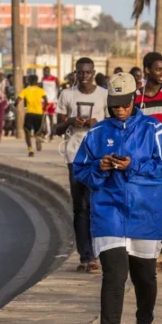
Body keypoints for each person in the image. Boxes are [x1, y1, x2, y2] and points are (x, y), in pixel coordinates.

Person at [72, 72, 162, 324]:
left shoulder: (153, 130)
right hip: (109, 212)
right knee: (114, 277)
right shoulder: (97, 133)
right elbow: (81, 170)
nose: (119, 109)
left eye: (124, 104)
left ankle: (144, 323)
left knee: (145, 279)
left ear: (134, 99)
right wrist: (100, 167)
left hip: (145, 213)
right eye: (114, 104)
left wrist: (133, 165)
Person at [56, 57, 109, 273]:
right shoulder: (67, 95)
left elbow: (114, 125)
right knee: (80, 208)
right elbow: (56, 129)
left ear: (94, 72)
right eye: (80, 73)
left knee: (96, 205)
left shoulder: (104, 95)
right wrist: (70, 121)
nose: (84, 76)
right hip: (74, 156)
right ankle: (85, 256)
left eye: (88, 72)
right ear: (75, 74)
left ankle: (97, 253)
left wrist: (98, 124)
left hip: (97, 158)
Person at [134, 52, 162, 271]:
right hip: (144, 162)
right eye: (158, 69)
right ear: (147, 70)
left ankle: (161, 248)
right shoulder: (136, 98)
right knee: (146, 206)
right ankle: (147, 249)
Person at [16, 74, 47, 157]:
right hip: (39, 114)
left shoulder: (25, 90)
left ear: (29, 81)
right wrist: (44, 108)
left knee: (27, 132)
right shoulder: (41, 90)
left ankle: (30, 150)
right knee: (38, 130)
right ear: (37, 81)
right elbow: (46, 100)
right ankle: (38, 137)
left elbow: (18, 99)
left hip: (29, 114)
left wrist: (15, 105)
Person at [41, 66, 59, 141]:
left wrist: (57, 100)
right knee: (43, 118)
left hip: (52, 101)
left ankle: (51, 134)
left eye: (46, 71)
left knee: (51, 119)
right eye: (44, 71)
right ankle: (44, 133)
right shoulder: (42, 79)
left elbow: (59, 89)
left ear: (49, 71)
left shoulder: (55, 79)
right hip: (44, 101)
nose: (45, 72)